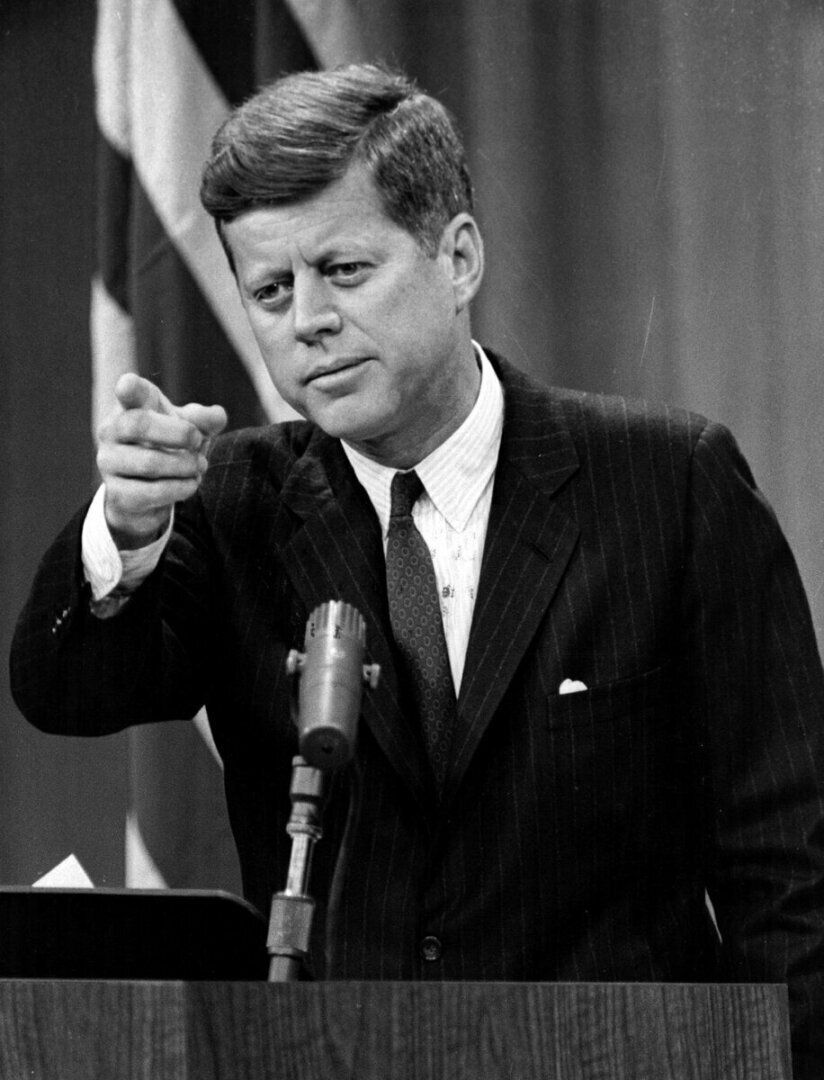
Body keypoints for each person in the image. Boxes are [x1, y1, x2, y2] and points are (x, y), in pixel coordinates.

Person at [10, 63, 824, 1073]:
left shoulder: (668, 483)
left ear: (458, 257)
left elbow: (789, 865)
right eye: (271, 290)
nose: (306, 319)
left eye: (343, 270)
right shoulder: (231, 505)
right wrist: (125, 531)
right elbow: (67, 687)